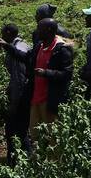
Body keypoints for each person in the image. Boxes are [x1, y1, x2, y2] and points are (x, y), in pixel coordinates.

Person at [27, 15, 74, 145]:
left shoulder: (62, 50)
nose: (37, 31)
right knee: (35, 136)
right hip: (36, 99)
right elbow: (26, 58)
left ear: (48, 30)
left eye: (39, 28)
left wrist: (46, 73)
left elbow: (67, 74)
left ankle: (54, 164)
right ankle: (36, 163)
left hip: (50, 100)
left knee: (53, 138)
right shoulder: (39, 47)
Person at [0, 23, 32, 165]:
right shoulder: (18, 45)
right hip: (20, 94)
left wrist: (15, 102)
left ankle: (21, 161)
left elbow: (19, 79)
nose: (2, 36)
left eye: (3, 34)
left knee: (17, 130)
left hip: (21, 96)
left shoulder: (18, 49)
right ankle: (17, 160)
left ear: (9, 33)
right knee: (17, 130)